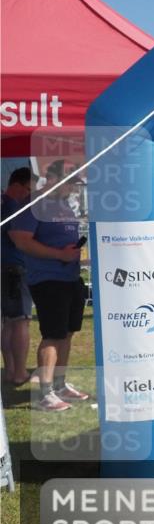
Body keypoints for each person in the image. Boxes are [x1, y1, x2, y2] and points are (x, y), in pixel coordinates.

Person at [8, 160, 90, 411]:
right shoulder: (34, 204)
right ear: (54, 179)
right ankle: (45, 393)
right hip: (47, 278)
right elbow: (20, 240)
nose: (74, 189)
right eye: (71, 183)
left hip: (70, 277)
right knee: (53, 334)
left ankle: (60, 384)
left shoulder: (64, 205)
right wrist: (58, 254)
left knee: (67, 332)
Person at [2, 167, 34, 386]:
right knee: (21, 321)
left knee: (7, 323)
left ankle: (10, 370)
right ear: (18, 185)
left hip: (5, 267)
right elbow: (18, 239)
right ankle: (20, 372)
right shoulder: (13, 208)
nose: (29, 195)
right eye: (28, 189)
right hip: (14, 268)